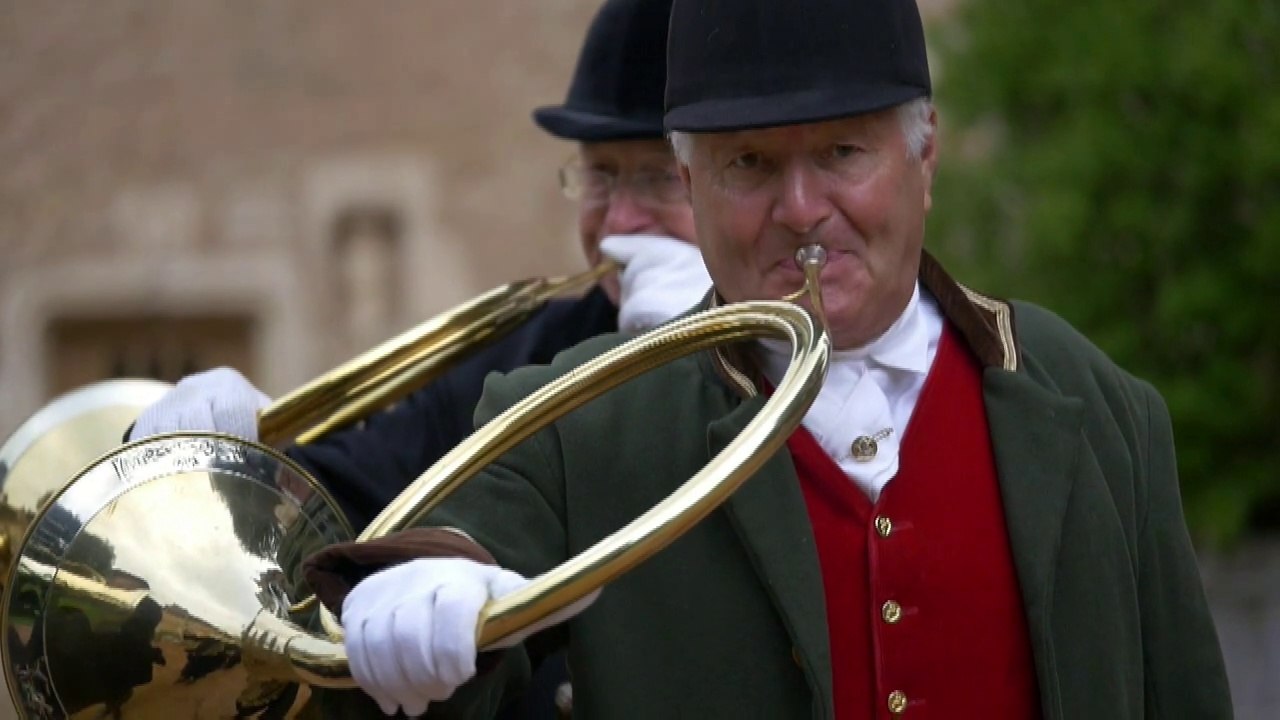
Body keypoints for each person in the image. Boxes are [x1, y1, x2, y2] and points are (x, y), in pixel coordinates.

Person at [305, 0, 1235, 718]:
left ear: (926, 155)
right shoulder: (578, 422)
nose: (799, 207)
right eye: (748, 164)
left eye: (842, 152)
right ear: (694, 185)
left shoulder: (1101, 407)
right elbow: (462, 553)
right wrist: (433, 590)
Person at [127, 0, 704, 717]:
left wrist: (703, 350)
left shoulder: (808, 363)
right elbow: (367, 487)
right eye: (599, 176)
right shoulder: (528, 349)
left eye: (656, 179)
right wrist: (246, 462)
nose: (617, 221)